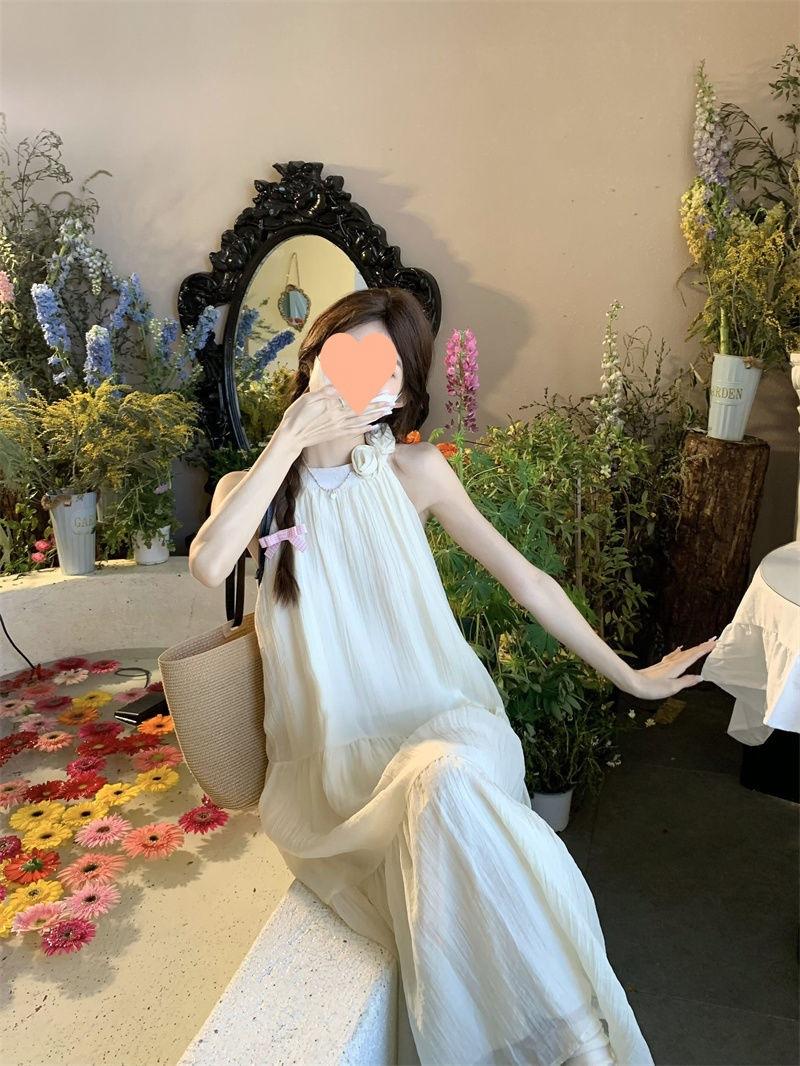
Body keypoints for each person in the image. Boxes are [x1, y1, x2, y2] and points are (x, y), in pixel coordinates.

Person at [189, 287, 716, 1066]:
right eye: (346, 356)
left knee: (446, 782)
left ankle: (574, 1050)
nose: (363, 380)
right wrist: (290, 435)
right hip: (338, 772)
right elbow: (208, 565)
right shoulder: (252, 491)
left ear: (402, 392)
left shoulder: (415, 472)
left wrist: (630, 678)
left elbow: (527, 580)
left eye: (386, 369)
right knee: (449, 814)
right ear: (313, 361)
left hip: (447, 722)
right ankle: (558, 1046)